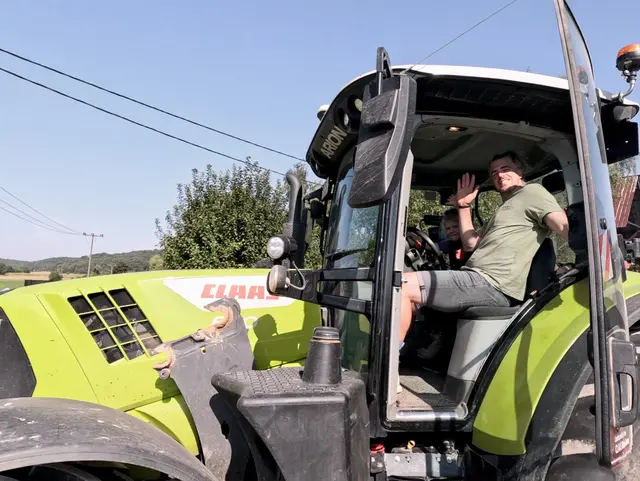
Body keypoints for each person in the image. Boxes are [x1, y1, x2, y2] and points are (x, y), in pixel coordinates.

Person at [397, 151, 569, 391]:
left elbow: (563, 225)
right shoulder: (505, 209)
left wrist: (594, 252)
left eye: (505, 169)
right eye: (494, 173)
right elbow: (470, 243)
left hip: (492, 283)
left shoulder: (533, 193)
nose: (499, 175)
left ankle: (390, 366)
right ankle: (418, 356)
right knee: (411, 292)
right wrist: (463, 206)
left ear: (520, 171)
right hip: (476, 278)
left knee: (402, 285)